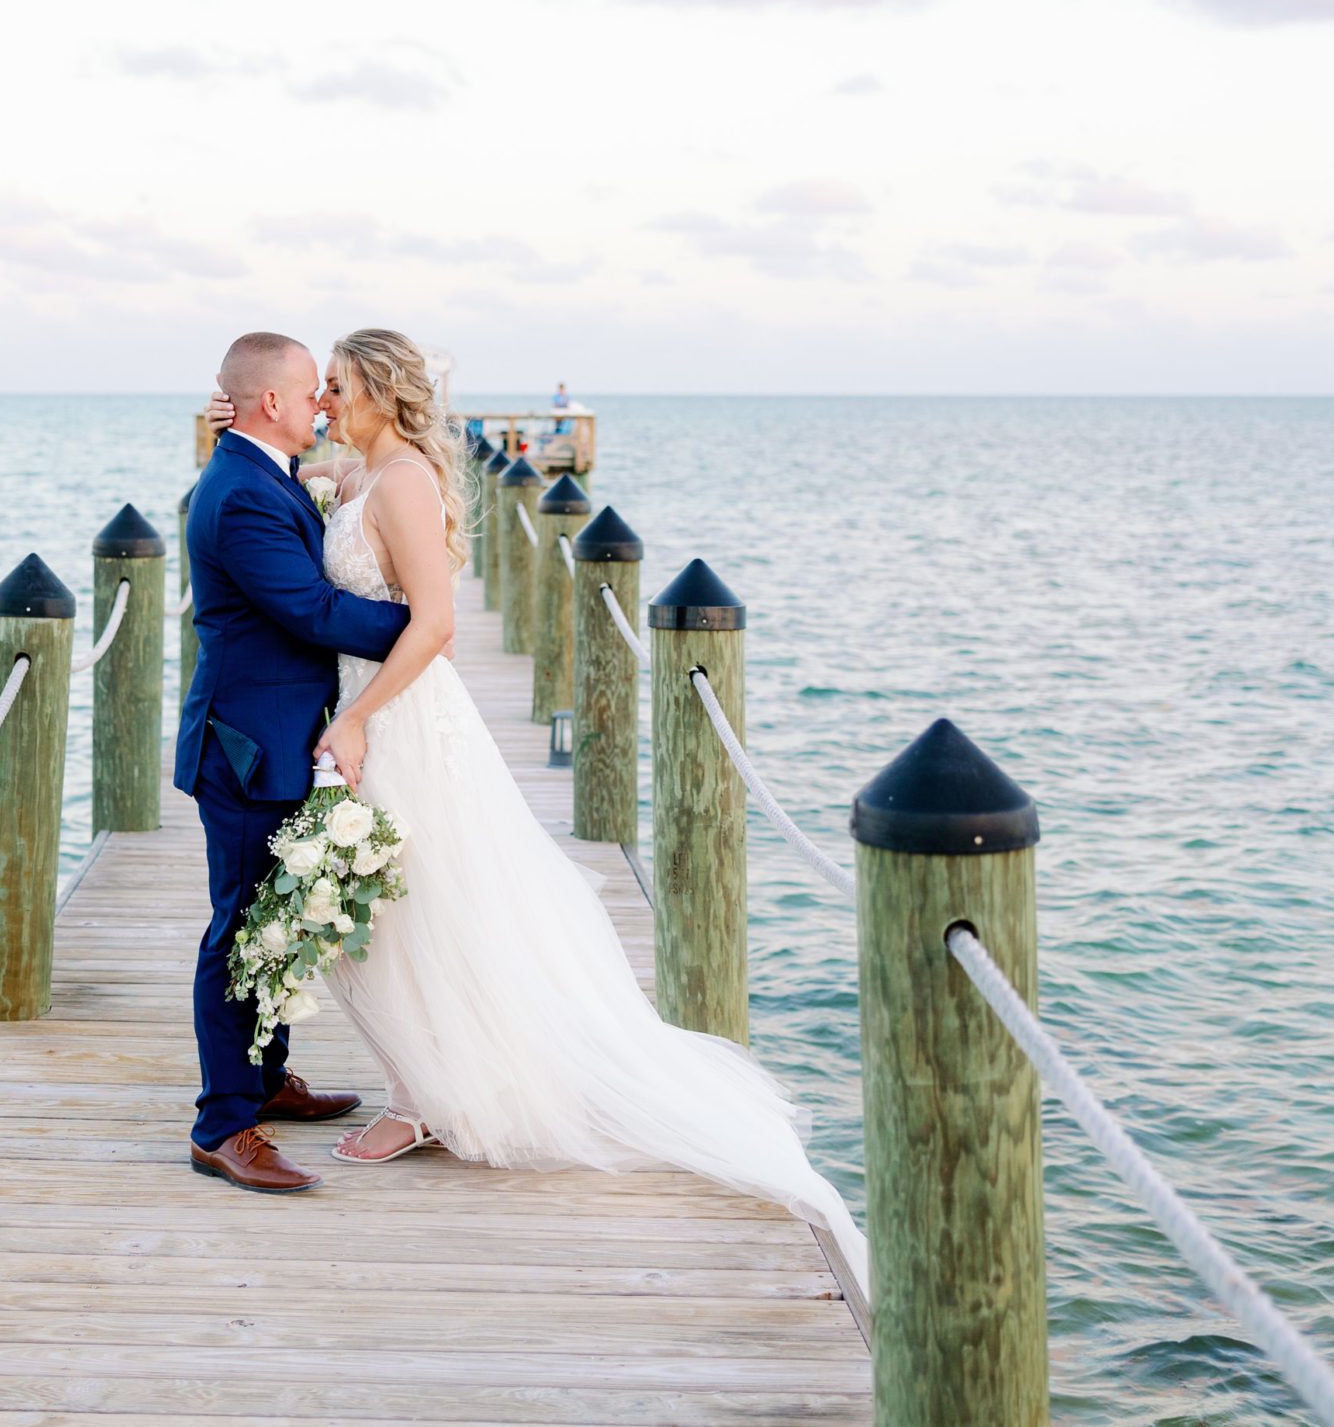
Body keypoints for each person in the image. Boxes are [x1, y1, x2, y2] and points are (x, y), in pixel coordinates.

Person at [206, 330, 870, 1291]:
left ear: (380, 395)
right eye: (317, 390)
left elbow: (432, 622)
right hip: (354, 711)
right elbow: (291, 547)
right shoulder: (349, 477)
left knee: (424, 897)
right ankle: (419, 1085)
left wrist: (358, 712)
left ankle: (430, 1096)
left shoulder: (399, 484)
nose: (323, 402)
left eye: (337, 387)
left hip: (387, 713)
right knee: (386, 909)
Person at [175, 332, 413, 1193]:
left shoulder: (264, 471)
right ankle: (222, 1122)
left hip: (278, 730)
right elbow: (312, 610)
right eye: (311, 388)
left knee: (271, 916)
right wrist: (423, 628)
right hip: (245, 743)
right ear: (269, 402)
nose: (322, 401)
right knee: (237, 927)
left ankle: (267, 1076)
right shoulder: (240, 493)